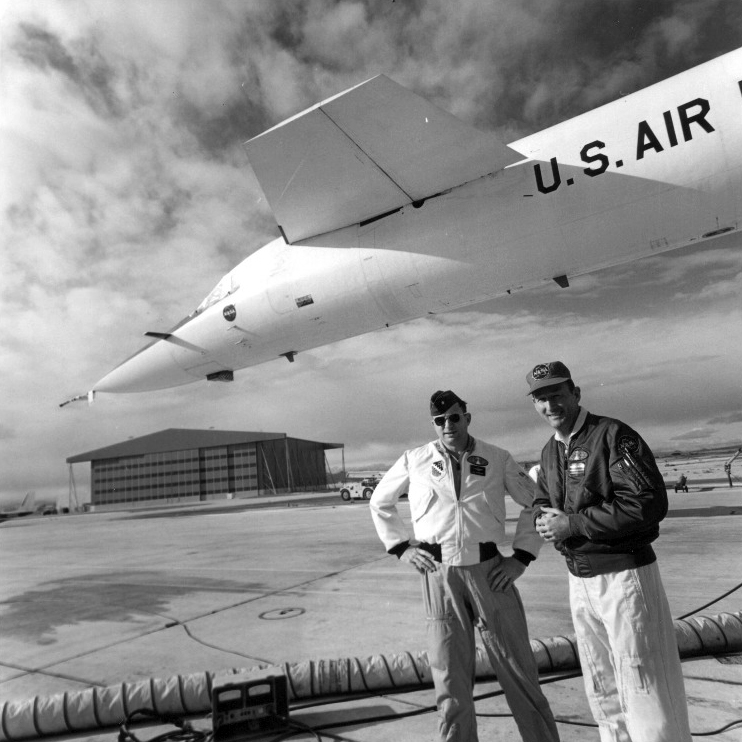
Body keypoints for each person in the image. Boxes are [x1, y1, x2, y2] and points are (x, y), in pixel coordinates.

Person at [370, 390, 560, 742]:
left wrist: (521, 557)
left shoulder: (497, 457)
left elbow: (537, 502)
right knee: (450, 680)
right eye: (439, 421)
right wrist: (401, 548)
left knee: (519, 670)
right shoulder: (415, 459)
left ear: (467, 418)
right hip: (439, 577)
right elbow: (379, 502)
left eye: (454, 417)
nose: (448, 425)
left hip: (491, 573)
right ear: (433, 424)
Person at [525, 361, 692, 742]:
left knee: (645, 684)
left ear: (576, 393)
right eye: (540, 398)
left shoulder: (612, 435)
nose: (550, 405)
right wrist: (542, 518)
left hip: (623, 578)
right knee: (603, 688)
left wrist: (573, 524)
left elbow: (646, 502)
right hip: (580, 580)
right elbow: (541, 499)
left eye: (556, 394)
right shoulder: (550, 451)